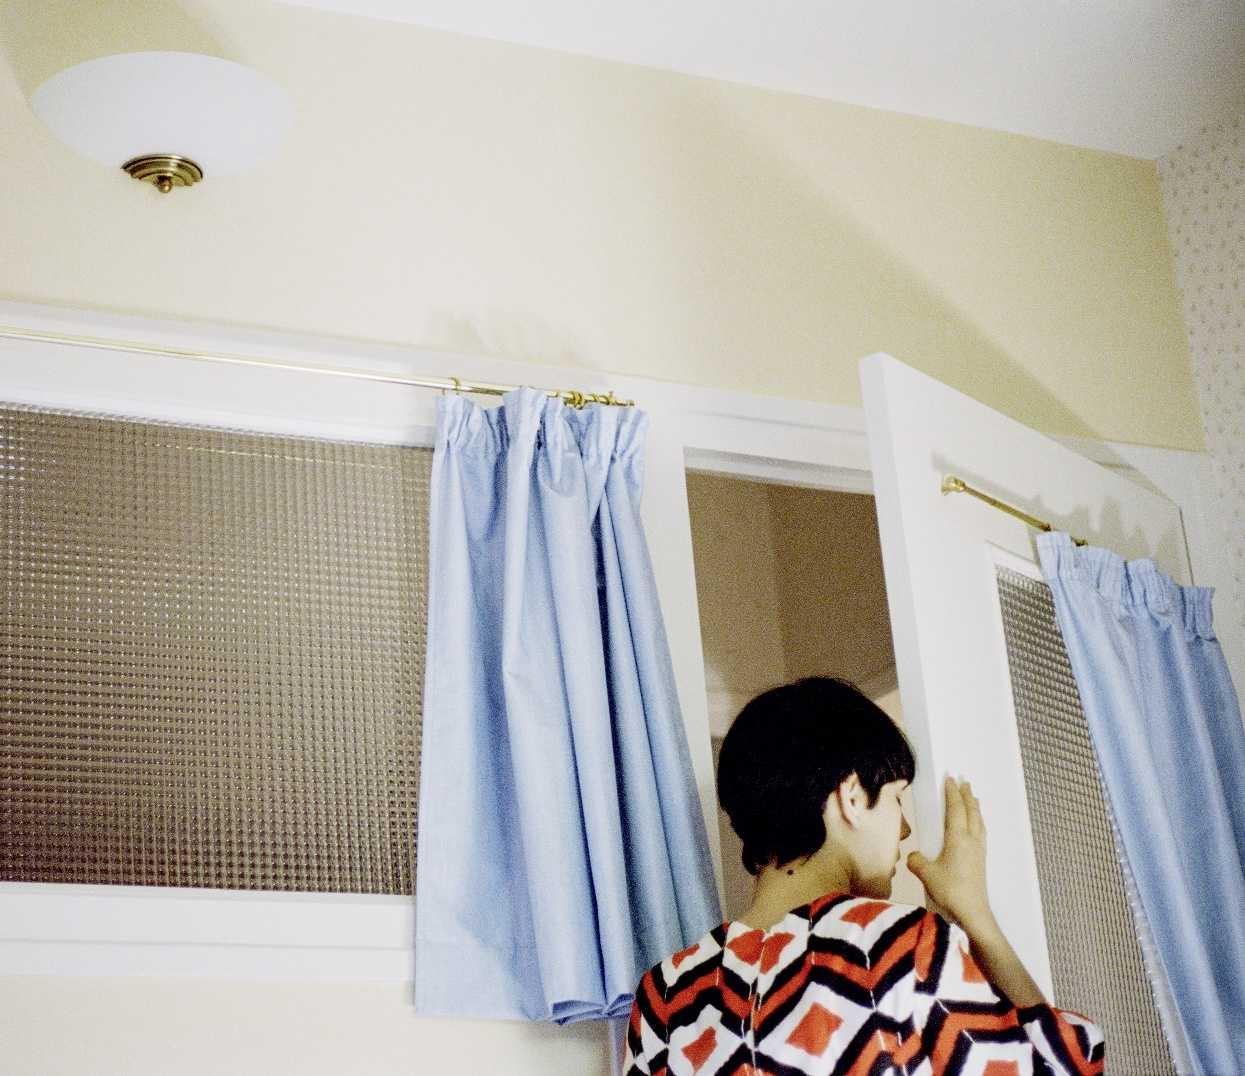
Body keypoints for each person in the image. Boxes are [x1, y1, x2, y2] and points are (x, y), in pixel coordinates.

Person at [623, 677, 1104, 1076]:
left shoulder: (664, 994)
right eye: (896, 797)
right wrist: (977, 918)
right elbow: (1062, 1068)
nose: (905, 828)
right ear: (852, 797)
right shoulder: (893, 947)